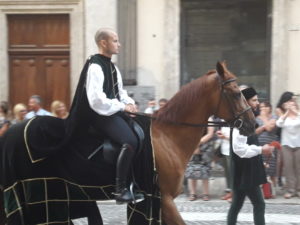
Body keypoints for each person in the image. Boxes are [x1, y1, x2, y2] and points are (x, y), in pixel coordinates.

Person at [84, 27, 139, 204]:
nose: (119, 44)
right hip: (100, 115)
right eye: (115, 41)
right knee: (129, 141)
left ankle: (134, 182)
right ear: (103, 43)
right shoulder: (95, 66)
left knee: (141, 132)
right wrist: (122, 107)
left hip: (114, 111)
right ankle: (120, 189)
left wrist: (129, 103)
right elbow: (96, 100)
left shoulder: (113, 67)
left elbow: (120, 91)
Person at [227, 87, 274, 225]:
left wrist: (259, 160)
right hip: (246, 171)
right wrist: (261, 150)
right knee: (259, 204)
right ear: (245, 102)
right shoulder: (241, 120)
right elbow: (239, 149)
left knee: (236, 205)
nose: (257, 103)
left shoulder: (246, 117)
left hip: (245, 169)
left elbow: (248, 142)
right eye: (254, 100)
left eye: (257, 100)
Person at [275, 91, 300, 199]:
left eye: (293, 101)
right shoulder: (283, 114)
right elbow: (279, 124)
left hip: (298, 145)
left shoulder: (298, 112)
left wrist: (296, 111)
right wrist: (287, 112)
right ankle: (291, 190)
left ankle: (298, 189)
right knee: (288, 168)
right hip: (286, 145)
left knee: (298, 168)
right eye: (290, 101)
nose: (292, 102)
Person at [185, 117, 215, 201]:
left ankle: (205, 193)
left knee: (205, 171)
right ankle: (193, 193)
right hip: (192, 145)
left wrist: (198, 143)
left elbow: (210, 133)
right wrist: (193, 145)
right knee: (191, 170)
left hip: (205, 146)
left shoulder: (209, 119)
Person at [255, 101, 279, 191]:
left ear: (270, 108)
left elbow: (269, 128)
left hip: (271, 146)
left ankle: (273, 191)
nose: (263, 109)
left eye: (265, 107)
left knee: (271, 169)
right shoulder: (256, 119)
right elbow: (255, 132)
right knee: (260, 167)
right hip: (259, 146)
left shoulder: (274, 117)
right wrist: (263, 127)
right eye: (261, 107)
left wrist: (264, 118)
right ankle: (261, 190)